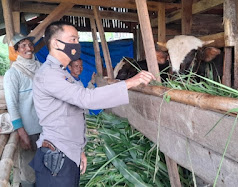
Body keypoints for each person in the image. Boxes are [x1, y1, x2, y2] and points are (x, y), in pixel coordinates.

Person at [30, 21, 155, 187]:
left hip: (67, 154)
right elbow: (86, 98)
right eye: (73, 39)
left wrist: (79, 150)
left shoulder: (61, 73)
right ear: (56, 43)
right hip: (56, 159)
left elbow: (70, 116)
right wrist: (128, 83)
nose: (77, 44)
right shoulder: (49, 75)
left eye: (77, 39)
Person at [3, 33, 42, 187]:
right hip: (28, 130)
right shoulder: (12, 74)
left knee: (44, 167)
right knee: (29, 170)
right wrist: (21, 132)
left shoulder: (40, 67)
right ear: (17, 51)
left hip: (45, 127)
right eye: (23, 45)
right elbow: (11, 105)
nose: (28, 48)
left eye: (29, 44)